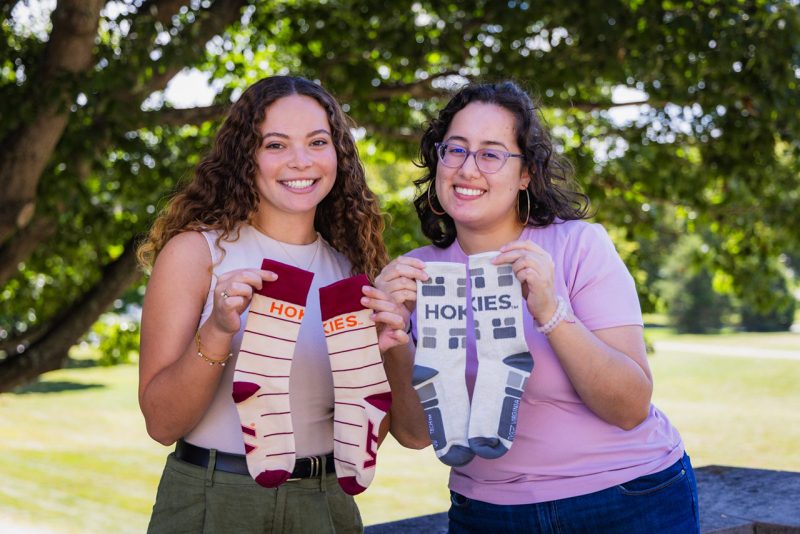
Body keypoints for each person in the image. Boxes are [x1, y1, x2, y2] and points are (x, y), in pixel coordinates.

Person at [375, 81, 699, 533]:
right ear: (438, 161)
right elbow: (414, 435)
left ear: (526, 173)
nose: (468, 169)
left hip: (626, 500)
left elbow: (629, 407)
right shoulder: (415, 276)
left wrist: (551, 311)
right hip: (486, 514)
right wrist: (391, 342)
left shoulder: (578, 245)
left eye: (491, 154)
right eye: (455, 150)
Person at [137, 75, 400, 533]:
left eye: (318, 141)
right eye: (275, 145)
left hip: (327, 504)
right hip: (215, 500)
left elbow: (371, 434)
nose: (301, 160)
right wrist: (218, 330)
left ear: (338, 153)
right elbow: (161, 424)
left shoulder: (350, 270)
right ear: (246, 157)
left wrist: (381, 353)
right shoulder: (197, 254)